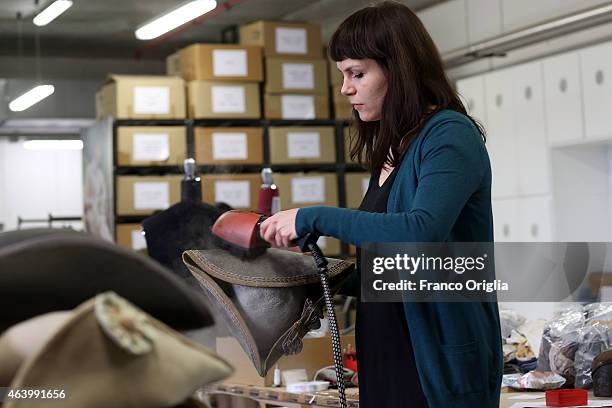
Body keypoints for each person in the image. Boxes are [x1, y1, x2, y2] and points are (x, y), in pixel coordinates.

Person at [259, 1, 503, 407]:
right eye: (343, 75)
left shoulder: (449, 137)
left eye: (358, 73)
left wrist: (313, 216)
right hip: (386, 355)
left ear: (399, 69)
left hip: (436, 359)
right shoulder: (393, 151)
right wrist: (320, 276)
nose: (346, 89)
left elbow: (420, 232)